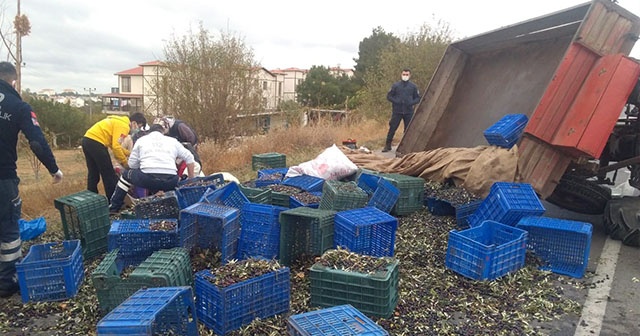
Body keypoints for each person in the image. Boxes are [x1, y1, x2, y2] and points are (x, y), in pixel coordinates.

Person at [0, 61, 63, 298]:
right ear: (13, 81)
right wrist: (54, 169)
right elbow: (36, 141)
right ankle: (7, 283)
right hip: (2, 177)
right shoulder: (18, 106)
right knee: (7, 229)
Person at [109, 124, 196, 213]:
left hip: (147, 179)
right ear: (163, 132)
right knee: (173, 183)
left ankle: (114, 208)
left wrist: (143, 163)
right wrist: (191, 181)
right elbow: (190, 158)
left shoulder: (141, 140)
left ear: (149, 132)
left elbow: (132, 165)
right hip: (170, 181)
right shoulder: (173, 141)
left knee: (126, 176)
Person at [82, 112, 147, 199]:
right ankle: (112, 202)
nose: (138, 129)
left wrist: (130, 154)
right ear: (134, 123)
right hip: (97, 143)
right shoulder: (124, 126)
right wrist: (125, 163)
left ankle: (91, 199)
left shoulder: (118, 121)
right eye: (139, 126)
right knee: (109, 174)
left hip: (87, 140)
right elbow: (116, 148)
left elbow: (116, 146)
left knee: (93, 173)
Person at [383, 68, 421, 152]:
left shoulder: (413, 86)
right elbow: (389, 96)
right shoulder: (395, 86)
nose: (405, 76)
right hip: (397, 111)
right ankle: (387, 145)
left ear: (410, 75)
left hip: (408, 111)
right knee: (392, 127)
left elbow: (418, 98)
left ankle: (407, 146)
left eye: (407, 75)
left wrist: (411, 102)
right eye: (404, 74)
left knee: (408, 130)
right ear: (401, 75)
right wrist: (396, 101)